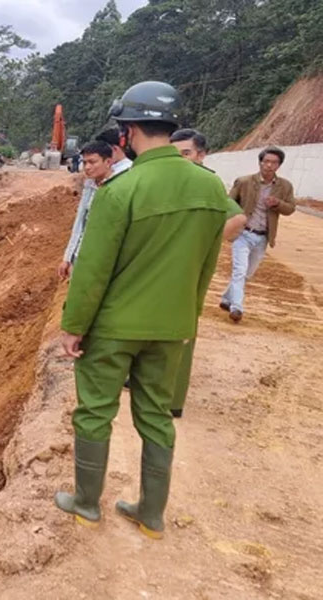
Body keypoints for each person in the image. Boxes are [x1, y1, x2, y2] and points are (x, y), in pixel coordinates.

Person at [53, 81, 244, 540]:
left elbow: (94, 271)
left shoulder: (121, 189)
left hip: (116, 326)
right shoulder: (210, 186)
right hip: (172, 324)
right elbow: (208, 259)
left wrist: (73, 327)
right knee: (156, 415)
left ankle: (85, 503)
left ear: (128, 131)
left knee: (95, 412)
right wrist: (187, 317)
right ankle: (151, 514)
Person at [168, 128, 248, 418]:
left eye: (186, 153)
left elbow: (238, 218)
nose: (181, 159)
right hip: (168, 266)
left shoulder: (207, 184)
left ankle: (173, 399)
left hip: (187, 270)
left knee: (181, 330)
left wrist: (203, 245)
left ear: (201, 155)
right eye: (175, 153)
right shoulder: (176, 181)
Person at [219, 147, 296, 322]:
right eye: (266, 161)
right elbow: (229, 203)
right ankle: (237, 307)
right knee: (239, 271)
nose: (269, 165)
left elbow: (290, 209)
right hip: (243, 234)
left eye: (274, 162)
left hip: (263, 237)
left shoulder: (285, 186)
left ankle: (226, 298)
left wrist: (278, 204)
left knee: (248, 273)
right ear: (260, 162)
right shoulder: (244, 182)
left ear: (279, 165)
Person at [58, 141, 114, 280]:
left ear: (108, 161)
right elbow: (80, 223)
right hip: (81, 256)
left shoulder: (118, 188)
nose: (87, 167)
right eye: (84, 163)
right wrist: (68, 257)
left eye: (92, 162)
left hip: (103, 260)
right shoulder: (89, 185)